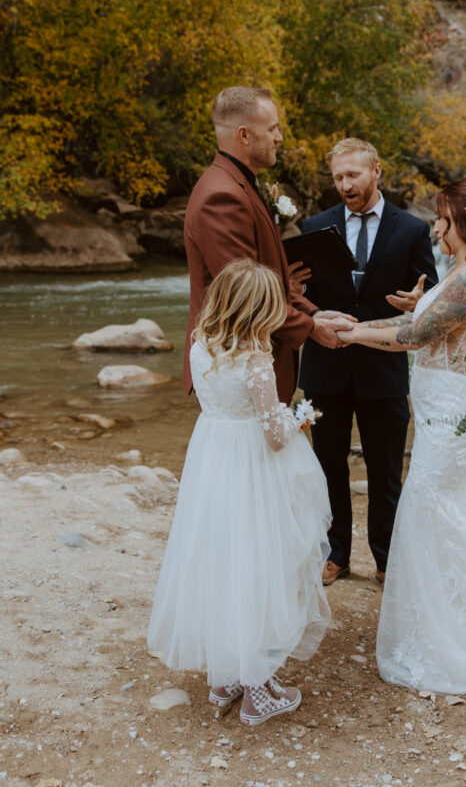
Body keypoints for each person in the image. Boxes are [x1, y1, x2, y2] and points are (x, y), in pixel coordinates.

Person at [337, 177, 466, 694]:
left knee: (428, 512)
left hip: (451, 419)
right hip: (440, 414)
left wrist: (353, 331)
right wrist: (406, 309)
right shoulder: (461, 273)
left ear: (465, 220)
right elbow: (426, 325)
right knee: (452, 517)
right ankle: (454, 619)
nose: (435, 227)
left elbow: (416, 337)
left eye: (443, 218)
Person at [148, 258, 331, 727]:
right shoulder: (256, 359)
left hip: (212, 461)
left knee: (220, 560)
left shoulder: (200, 345)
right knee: (261, 563)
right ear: (259, 311)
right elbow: (273, 434)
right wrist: (301, 417)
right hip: (254, 469)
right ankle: (258, 690)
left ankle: (225, 676)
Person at [298, 138, 437, 586]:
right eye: (338, 177)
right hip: (327, 366)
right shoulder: (315, 226)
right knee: (327, 468)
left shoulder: (413, 229)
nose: (344, 185)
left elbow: (430, 295)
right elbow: (301, 296)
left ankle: (386, 559)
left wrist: (419, 300)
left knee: (386, 473)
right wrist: (309, 312)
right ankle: (335, 553)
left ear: (376, 171)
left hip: (384, 369)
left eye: (352, 175)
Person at [183, 86, 353, 404]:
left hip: (254, 359)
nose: (280, 137)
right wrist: (311, 327)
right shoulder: (221, 197)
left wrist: (315, 313)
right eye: (272, 128)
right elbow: (246, 297)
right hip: (237, 363)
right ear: (244, 135)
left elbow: (272, 278)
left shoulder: (241, 183)